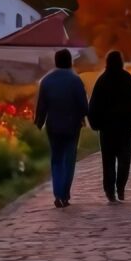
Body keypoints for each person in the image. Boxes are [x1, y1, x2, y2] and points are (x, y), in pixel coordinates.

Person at [33, 48, 90, 209]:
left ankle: (57, 193)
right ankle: (65, 194)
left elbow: (42, 106)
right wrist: (86, 118)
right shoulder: (75, 80)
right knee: (69, 160)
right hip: (72, 126)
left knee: (56, 159)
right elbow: (83, 105)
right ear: (70, 61)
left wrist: (39, 122)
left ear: (56, 62)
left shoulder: (47, 81)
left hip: (53, 125)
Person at [86, 49, 131, 203]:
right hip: (125, 127)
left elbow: (94, 104)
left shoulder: (102, 80)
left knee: (108, 160)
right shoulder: (128, 79)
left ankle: (110, 190)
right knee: (125, 160)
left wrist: (94, 123)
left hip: (107, 129)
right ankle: (121, 187)